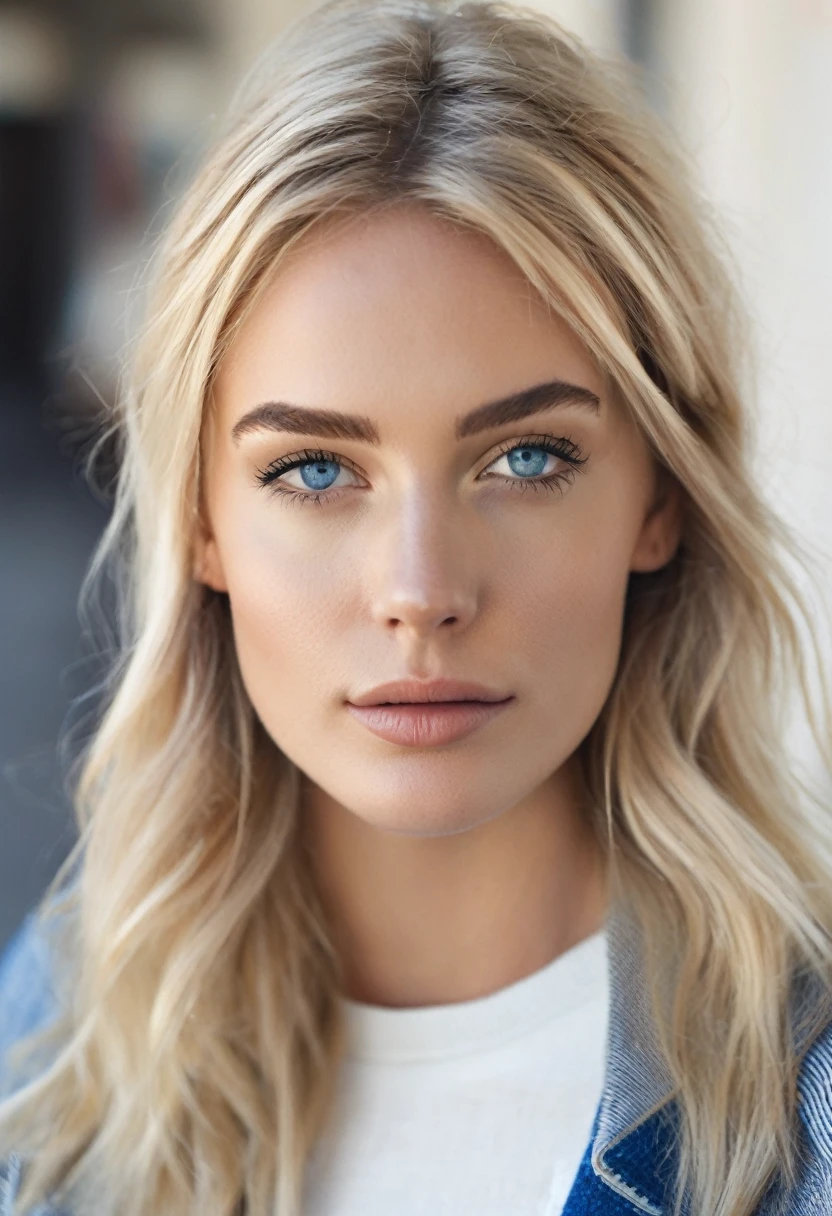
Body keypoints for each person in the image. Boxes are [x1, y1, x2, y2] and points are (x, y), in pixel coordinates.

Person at [1, 0, 832, 1213]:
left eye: (529, 459)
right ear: (201, 522)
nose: (419, 592)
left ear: (661, 496)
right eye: (316, 472)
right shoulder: (53, 1053)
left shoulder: (805, 1118)